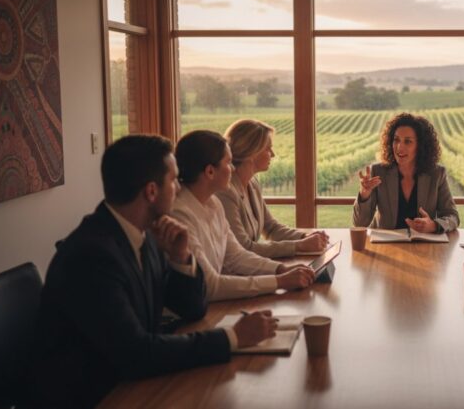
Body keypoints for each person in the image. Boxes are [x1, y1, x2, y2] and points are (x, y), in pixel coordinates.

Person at [25, 135, 278, 408]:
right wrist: (233, 337)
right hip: (95, 396)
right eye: (173, 181)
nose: (179, 189)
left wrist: (181, 257)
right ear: (151, 192)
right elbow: (136, 353)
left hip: (129, 383)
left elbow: (192, 308)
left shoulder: (145, 235)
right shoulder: (92, 256)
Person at [171, 130, 314, 302]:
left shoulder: (213, 203)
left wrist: (280, 269)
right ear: (210, 172)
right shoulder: (180, 215)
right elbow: (210, 285)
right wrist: (279, 281)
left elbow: (236, 256)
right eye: (228, 162)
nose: (232, 168)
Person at [217, 119, 328, 258]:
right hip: (234, 274)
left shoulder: (252, 183)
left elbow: (271, 228)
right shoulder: (226, 192)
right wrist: (299, 246)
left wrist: (305, 236)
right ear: (252, 152)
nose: (273, 154)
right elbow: (243, 248)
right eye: (268, 149)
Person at [353, 112, 459, 233]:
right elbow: (359, 223)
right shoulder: (378, 171)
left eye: (407, 142)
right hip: (385, 246)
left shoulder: (437, 174)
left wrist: (433, 225)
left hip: (423, 247)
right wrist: (364, 194)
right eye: (396, 140)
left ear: (420, 146)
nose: (399, 147)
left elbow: (453, 217)